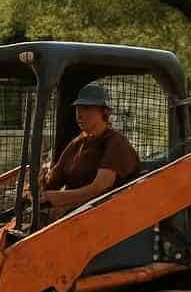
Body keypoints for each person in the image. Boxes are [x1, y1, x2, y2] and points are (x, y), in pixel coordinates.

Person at [37, 83, 140, 212]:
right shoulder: (77, 143)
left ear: (105, 111)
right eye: (77, 108)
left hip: (104, 214)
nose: (79, 114)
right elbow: (52, 182)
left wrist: (56, 197)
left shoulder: (115, 143)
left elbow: (98, 189)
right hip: (74, 212)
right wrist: (39, 183)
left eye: (86, 108)